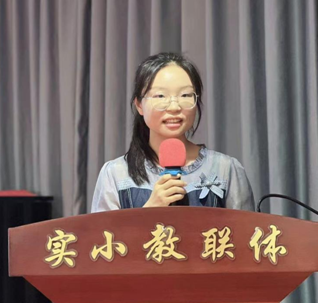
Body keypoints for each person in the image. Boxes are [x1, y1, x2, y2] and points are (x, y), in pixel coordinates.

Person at [91, 52, 255, 213]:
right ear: (139, 105)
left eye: (185, 95)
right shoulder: (116, 174)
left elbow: (245, 229)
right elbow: (102, 231)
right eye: (160, 96)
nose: (174, 107)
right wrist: (149, 210)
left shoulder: (225, 169)